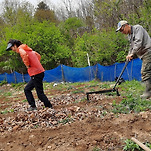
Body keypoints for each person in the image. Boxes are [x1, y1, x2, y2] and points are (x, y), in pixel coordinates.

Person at [6, 39, 53, 111]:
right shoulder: (28, 49)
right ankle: (45, 106)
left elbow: (24, 55)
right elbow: (38, 55)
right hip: (39, 72)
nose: (12, 50)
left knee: (35, 92)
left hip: (36, 73)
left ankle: (45, 106)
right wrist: (36, 63)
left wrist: (27, 65)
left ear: (15, 46)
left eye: (11, 48)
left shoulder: (21, 49)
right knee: (29, 90)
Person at [116, 20, 151, 99]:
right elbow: (131, 47)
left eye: (122, 30)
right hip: (143, 55)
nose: (122, 32)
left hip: (148, 52)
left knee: (145, 71)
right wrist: (129, 54)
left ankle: (148, 92)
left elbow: (138, 42)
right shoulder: (130, 35)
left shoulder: (138, 28)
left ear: (126, 26)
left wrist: (132, 53)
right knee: (149, 71)